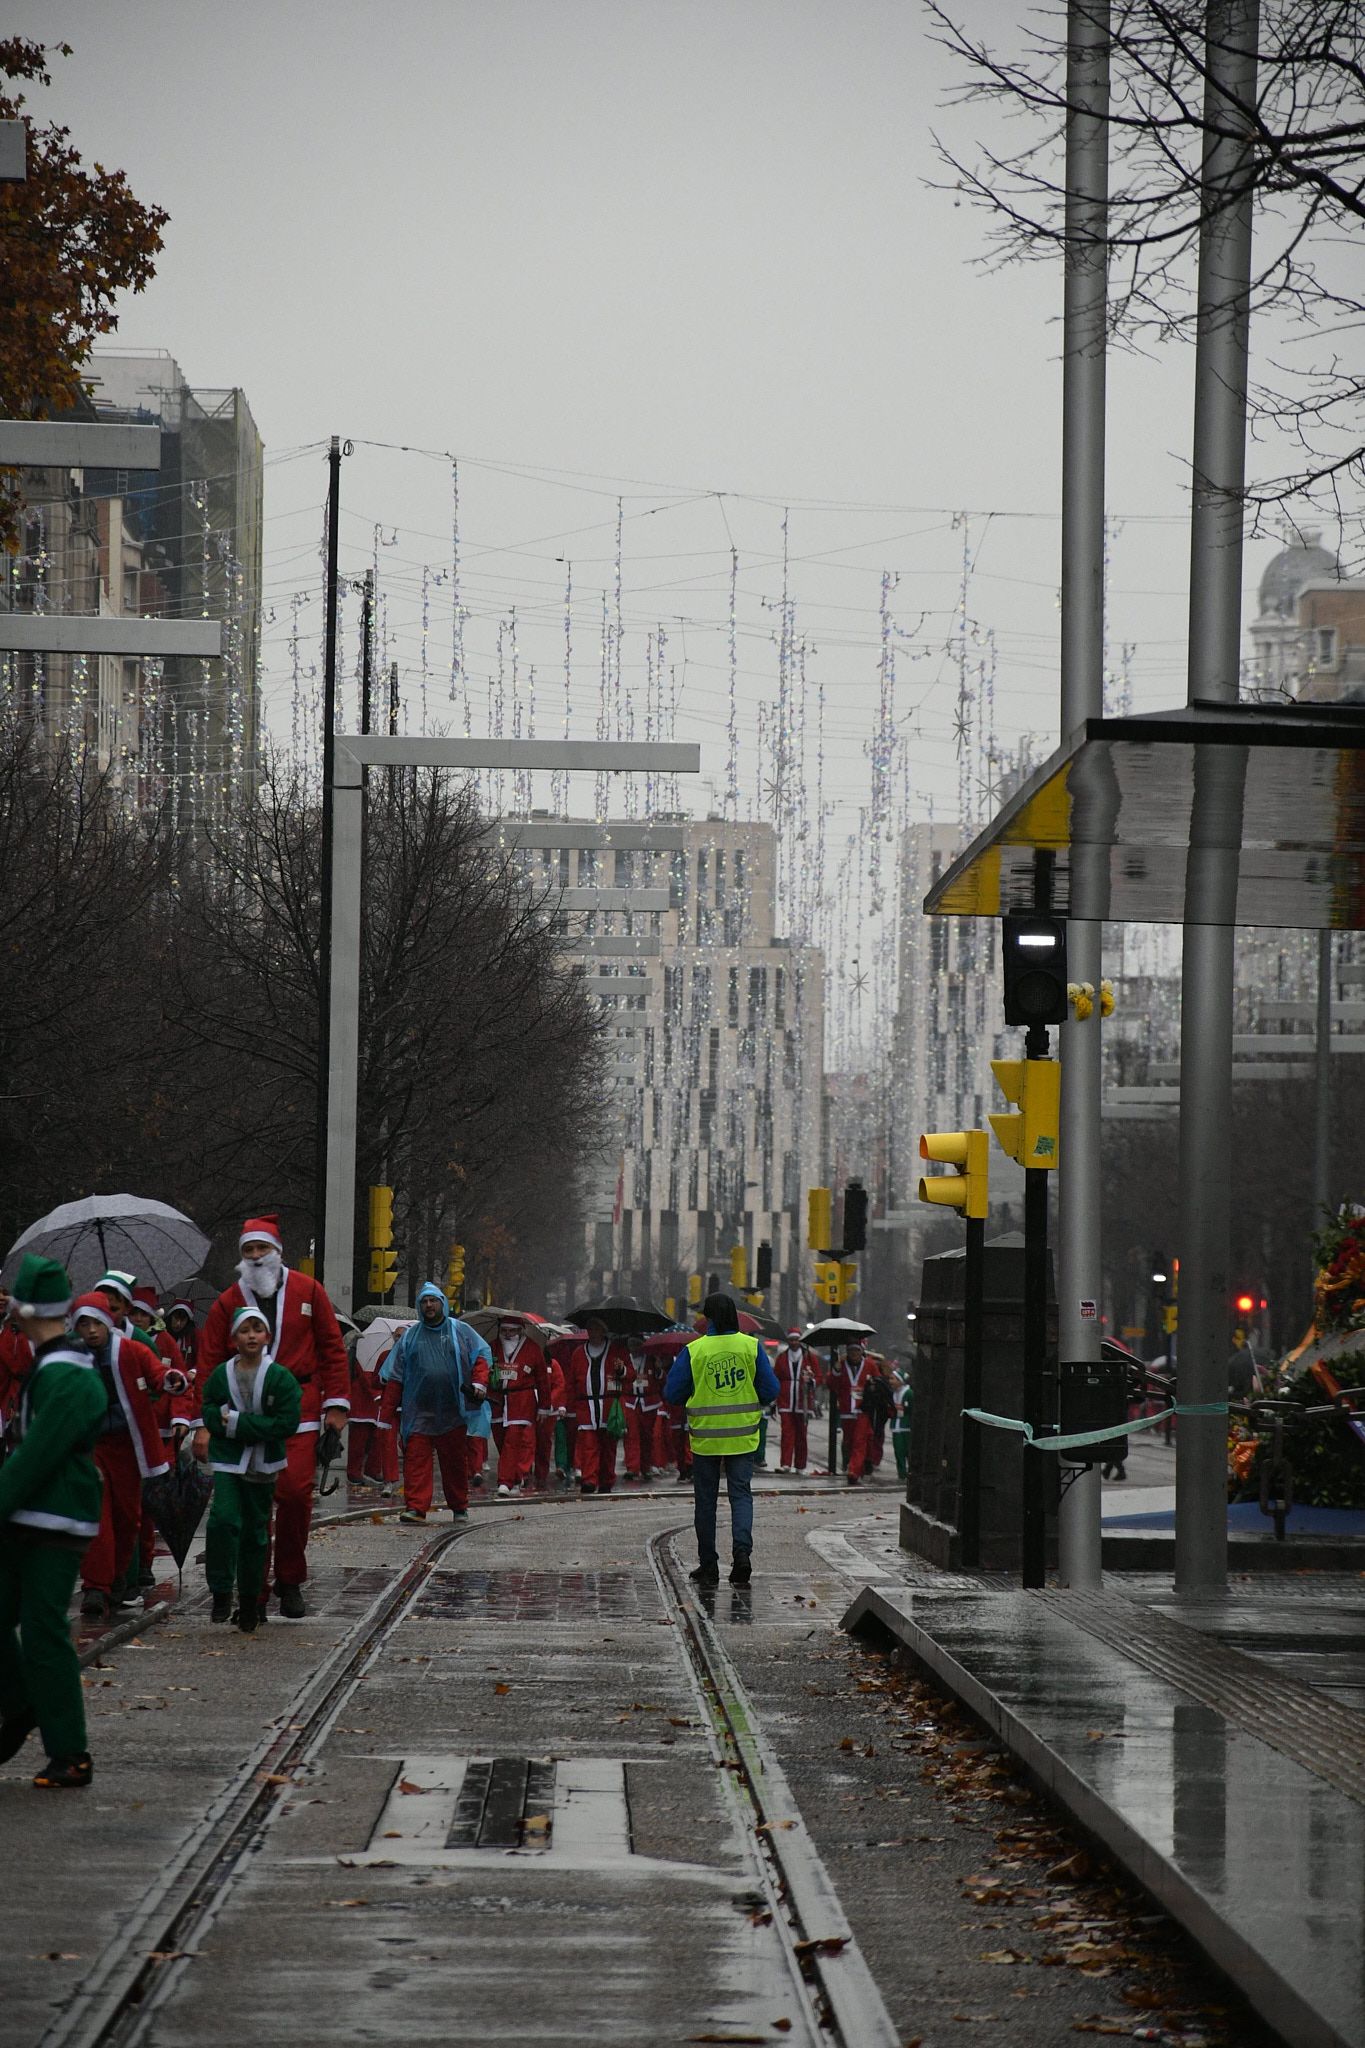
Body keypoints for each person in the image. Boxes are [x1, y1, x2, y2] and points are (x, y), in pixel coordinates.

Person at [197, 1216, 349, 1618]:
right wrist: (201, 1424)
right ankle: (254, 1591)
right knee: (252, 1505)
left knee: (296, 1495)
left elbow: (333, 1350)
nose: (256, 1256)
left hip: (298, 1411)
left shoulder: (308, 1291)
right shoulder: (229, 1300)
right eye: (249, 1250)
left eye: (262, 1248)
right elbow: (209, 1358)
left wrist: (336, 1409)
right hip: (242, 1415)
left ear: (277, 1251)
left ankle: (290, 1579)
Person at [0, 1256, 107, 1791]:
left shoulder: (65, 1369)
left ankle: (71, 1752)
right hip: (31, 1513)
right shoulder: (51, 1361)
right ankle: (21, 1706)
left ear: (24, 1307)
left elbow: (39, 1452)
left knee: (43, 1631)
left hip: (55, 1517)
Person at [196, 1306, 302, 1631]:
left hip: (263, 1462)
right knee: (223, 1520)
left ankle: (250, 1601)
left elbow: (287, 1422)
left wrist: (240, 1424)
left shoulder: (280, 1377)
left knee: (256, 1532)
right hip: (228, 1460)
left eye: (257, 1329)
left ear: (267, 1336)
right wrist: (219, 1425)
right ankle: (221, 1590)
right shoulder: (221, 1374)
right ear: (234, 1338)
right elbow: (209, 1407)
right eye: (245, 1330)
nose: (251, 1335)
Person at [664, 1291, 779, 1587]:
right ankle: (742, 1555)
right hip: (743, 1436)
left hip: (707, 1440)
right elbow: (770, 1389)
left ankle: (709, 1565)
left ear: (709, 1318)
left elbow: (672, 1393)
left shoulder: (695, 1350)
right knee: (741, 1495)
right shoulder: (751, 1347)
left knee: (706, 1501)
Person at [74, 1293, 171, 1620]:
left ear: (110, 1321)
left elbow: (157, 1373)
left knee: (127, 1516)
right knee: (96, 1514)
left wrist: (171, 1380)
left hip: (129, 1447)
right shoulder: (73, 1356)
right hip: (93, 1445)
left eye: (97, 1322)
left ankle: (116, 1578)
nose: (91, 1330)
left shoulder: (132, 1350)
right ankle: (95, 1586)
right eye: (83, 1323)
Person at [380, 1284, 491, 1523]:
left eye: (433, 1301)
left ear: (442, 1303)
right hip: (418, 1411)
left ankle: (459, 1506)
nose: (428, 1306)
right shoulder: (410, 1337)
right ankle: (416, 1507)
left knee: (454, 1463)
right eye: (424, 1302)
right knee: (416, 1460)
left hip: (452, 1411)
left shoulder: (461, 1331)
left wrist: (480, 1383)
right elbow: (396, 1376)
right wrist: (385, 1415)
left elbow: (480, 1355)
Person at [566, 1317, 631, 1495]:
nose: (593, 1333)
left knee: (609, 1446)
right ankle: (589, 1480)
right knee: (588, 1445)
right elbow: (571, 1382)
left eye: (596, 1329)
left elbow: (630, 1376)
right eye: (590, 1329)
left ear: (604, 1331)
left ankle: (606, 1481)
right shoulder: (578, 1353)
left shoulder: (617, 1351)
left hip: (610, 1406)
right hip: (586, 1405)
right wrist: (569, 1407)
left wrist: (622, 1370)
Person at [773, 1329, 816, 1474]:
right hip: (786, 1400)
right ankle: (785, 1463)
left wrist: (811, 1380)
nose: (794, 1342)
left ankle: (800, 1465)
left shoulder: (809, 1357)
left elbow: (819, 1377)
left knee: (801, 1434)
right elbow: (776, 1376)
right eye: (791, 1340)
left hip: (803, 1402)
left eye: (796, 1340)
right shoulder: (782, 1357)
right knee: (787, 1433)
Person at [832, 1341, 875, 1486]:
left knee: (859, 1441)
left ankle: (854, 1472)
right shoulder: (841, 1366)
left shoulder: (869, 1365)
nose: (854, 1354)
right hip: (846, 1410)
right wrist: (836, 1370)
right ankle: (856, 1467)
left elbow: (879, 1381)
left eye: (857, 1351)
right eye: (851, 1351)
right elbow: (831, 1384)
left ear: (861, 1352)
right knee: (848, 1442)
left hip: (863, 1409)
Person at [622, 1340, 658, 1483]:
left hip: (648, 1403)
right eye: (632, 1344)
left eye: (637, 1344)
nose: (635, 1347)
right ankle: (632, 1468)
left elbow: (660, 1380)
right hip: (630, 1402)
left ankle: (646, 1467)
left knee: (647, 1437)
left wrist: (658, 1369)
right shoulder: (624, 1360)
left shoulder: (651, 1360)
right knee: (631, 1435)